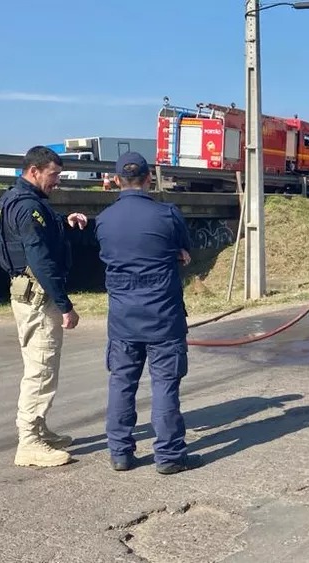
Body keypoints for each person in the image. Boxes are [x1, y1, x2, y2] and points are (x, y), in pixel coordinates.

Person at [94, 152, 201, 474]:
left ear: (115, 180)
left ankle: (120, 453)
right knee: (164, 384)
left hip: (123, 319)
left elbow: (108, 255)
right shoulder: (167, 214)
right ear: (148, 178)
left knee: (121, 383)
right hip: (163, 318)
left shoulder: (104, 219)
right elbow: (185, 252)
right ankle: (169, 456)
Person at [0, 146, 88, 467]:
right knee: (41, 369)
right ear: (35, 171)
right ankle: (29, 442)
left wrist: (64, 220)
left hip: (26, 295)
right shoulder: (26, 207)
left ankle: (39, 429)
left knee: (38, 365)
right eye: (54, 175)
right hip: (39, 298)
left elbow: (35, 228)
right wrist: (65, 305)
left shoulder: (16, 200)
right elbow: (40, 258)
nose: (57, 181)